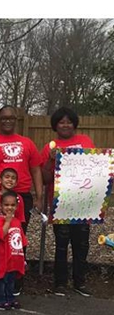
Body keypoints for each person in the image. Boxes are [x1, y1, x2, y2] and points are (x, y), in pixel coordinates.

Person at [40, 107, 95, 297]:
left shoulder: (85, 142)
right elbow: (45, 178)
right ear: (55, 126)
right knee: (61, 245)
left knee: (81, 244)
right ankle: (60, 283)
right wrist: (49, 160)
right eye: (61, 122)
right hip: (61, 203)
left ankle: (80, 282)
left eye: (69, 121)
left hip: (83, 202)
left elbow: (96, 168)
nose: (65, 125)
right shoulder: (50, 147)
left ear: (74, 124)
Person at [0, 190, 27, 310]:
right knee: (2, 279)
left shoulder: (17, 221)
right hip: (3, 257)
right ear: (1, 206)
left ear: (17, 207)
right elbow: (0, 234)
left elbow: (21, 240)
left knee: (11, 280)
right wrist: (7, 221)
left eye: (12, 205)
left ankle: (10, 298)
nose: (9, 208)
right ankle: (0, 300)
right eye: (6, 205)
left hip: (14, 257)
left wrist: (22, 258)